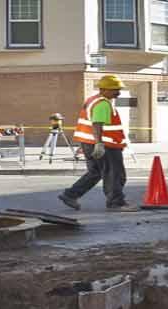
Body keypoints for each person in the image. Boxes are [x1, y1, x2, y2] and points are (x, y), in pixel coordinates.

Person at [59, 75, 138, 212]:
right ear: (103, 89)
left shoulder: (93, 100)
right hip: (105, 146)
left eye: (119, 89)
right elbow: (97, 124)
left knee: (95, 172)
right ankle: (116, 203)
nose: (118, 92)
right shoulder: (102, 103)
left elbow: (89, 123)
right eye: (115, 89)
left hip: (89, 143)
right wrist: (99, 144)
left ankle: (70, 195)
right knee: (115, 173)